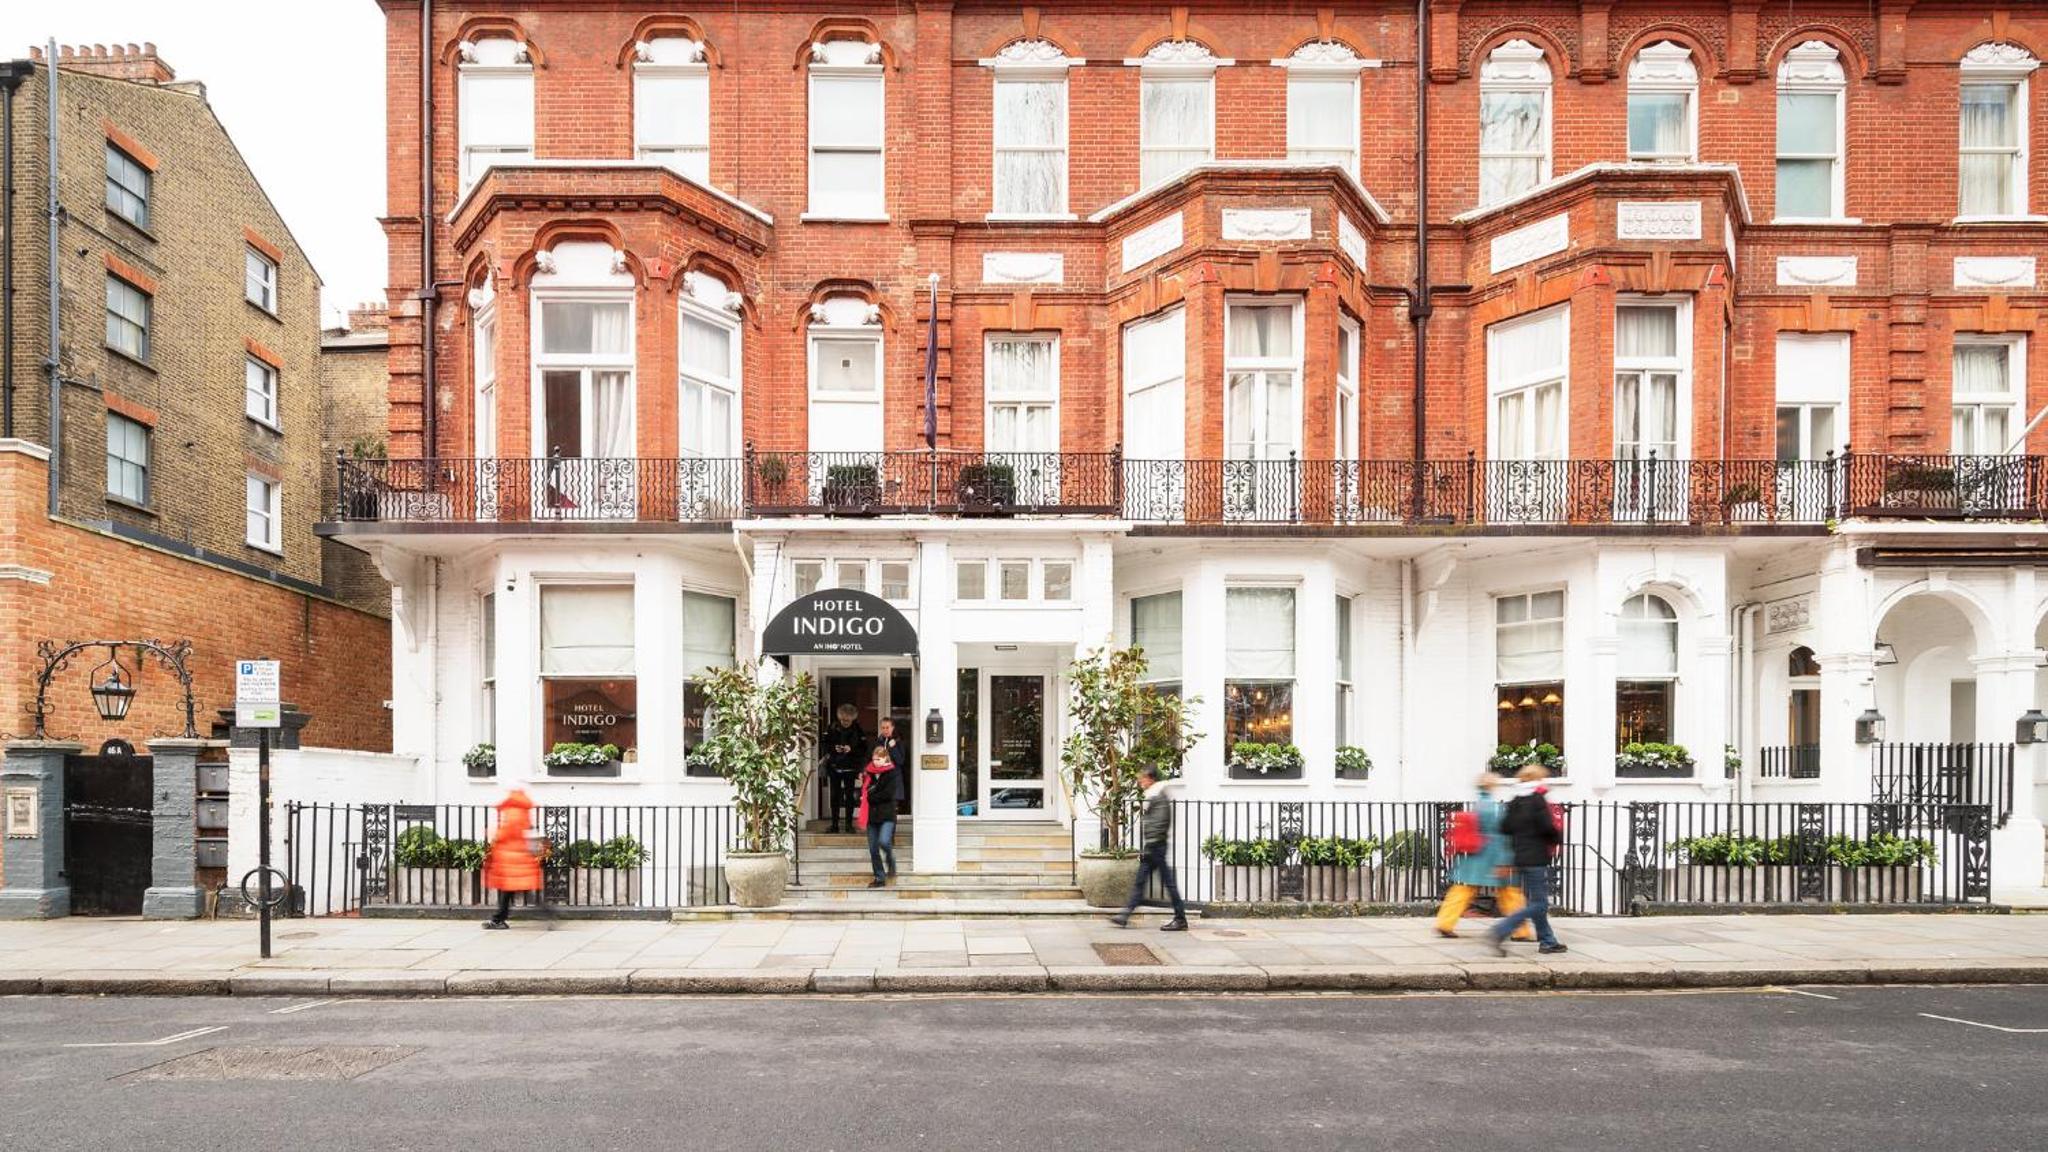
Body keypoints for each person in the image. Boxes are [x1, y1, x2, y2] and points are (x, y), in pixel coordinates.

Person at [1433, 772, 1532, 941]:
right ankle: (1520, 930)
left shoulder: (1479, 804)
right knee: (1510, 892)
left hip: (1476, 856)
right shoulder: (1494, 808)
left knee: (1463, 890)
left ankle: (1445, 922)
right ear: (1492, 786)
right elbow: (1500, 836)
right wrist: (1504, 861)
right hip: (1492, 856)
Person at [1488, 764, 1567, 955]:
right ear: (1536, 779)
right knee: (1540, 903)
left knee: (1535, 902)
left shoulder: (1515, 800)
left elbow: (1505, 827)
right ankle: (1502, 929)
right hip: (1536, 857)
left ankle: (1548, 941)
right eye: (1541, 778)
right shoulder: (1537, 800)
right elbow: (1547, 827)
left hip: (1519, 856)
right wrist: (1556, 837)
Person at [1110, 766, 1188, 931]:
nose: (1140, 781)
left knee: (1168, 883)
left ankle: (1180, 918)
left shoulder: (1158, 796)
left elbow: (1160, 822)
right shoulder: (1153, 796)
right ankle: (1125, 915)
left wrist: (1152, 842)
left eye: (1143, 778)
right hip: (1152, 846)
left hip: (1156, 846)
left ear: (1151, 779)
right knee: (1141, 881)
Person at [482, 788, 542, 929]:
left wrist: (494, 834)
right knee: (512, 890)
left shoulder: (513, 812)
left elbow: (507, 832)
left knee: (511, 889)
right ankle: (499, 919)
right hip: (516, 856)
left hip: (512, 857)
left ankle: (499, 919)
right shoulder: (522, 811)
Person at [859, 744, 901, 887]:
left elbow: (888, 794)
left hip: (887, 815)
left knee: (883, 841)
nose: (876, 761)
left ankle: (891, 862)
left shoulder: (892, 773)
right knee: (873, 848)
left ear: (885, 759)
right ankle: (879, 877)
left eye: (878, 759)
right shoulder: (869, 773)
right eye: (874, 759)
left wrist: (870, 796)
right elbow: (864, 791)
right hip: (872, 816)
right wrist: (868, 795)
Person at [823, 703, 867, 834]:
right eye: (842, 720)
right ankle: (834, 825)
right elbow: (824, 744)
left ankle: (849, 825)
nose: (845, 722)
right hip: (834, 766)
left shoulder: (858, 730)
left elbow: (864, 749)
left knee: (849, 797)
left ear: (853, 719)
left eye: (847, 720)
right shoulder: (832, 727)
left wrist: (851, 749)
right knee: (835, 796)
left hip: (850, 767)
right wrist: (833, 749)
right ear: (839, 717)